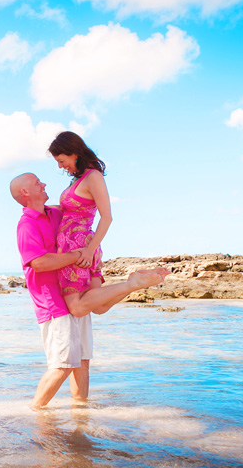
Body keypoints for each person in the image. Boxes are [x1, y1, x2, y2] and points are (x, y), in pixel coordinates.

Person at [10, 173, 169, 408]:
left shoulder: (54, 213)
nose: (43, 184)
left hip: (76, 289)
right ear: (25, 193)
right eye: (37, 183)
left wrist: (93, 254)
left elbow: (80, 218)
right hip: (53, 303)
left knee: (82, 361)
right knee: (62, 366)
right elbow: (39, 263)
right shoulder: (27, 224)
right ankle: (36, 416)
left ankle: (80, 413)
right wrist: (78, 255)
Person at [48, 131, 117, 318]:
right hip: (76, 247)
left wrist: (89, 250)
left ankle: (131, 284)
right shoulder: (78, 179)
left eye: (61, 161)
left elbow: (107, 217)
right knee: (99, 307)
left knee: (77, 308)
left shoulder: (93, 176)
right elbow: (68, 210)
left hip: (79, 248)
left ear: (74, 153)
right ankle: (134, 283)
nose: (60, 166)